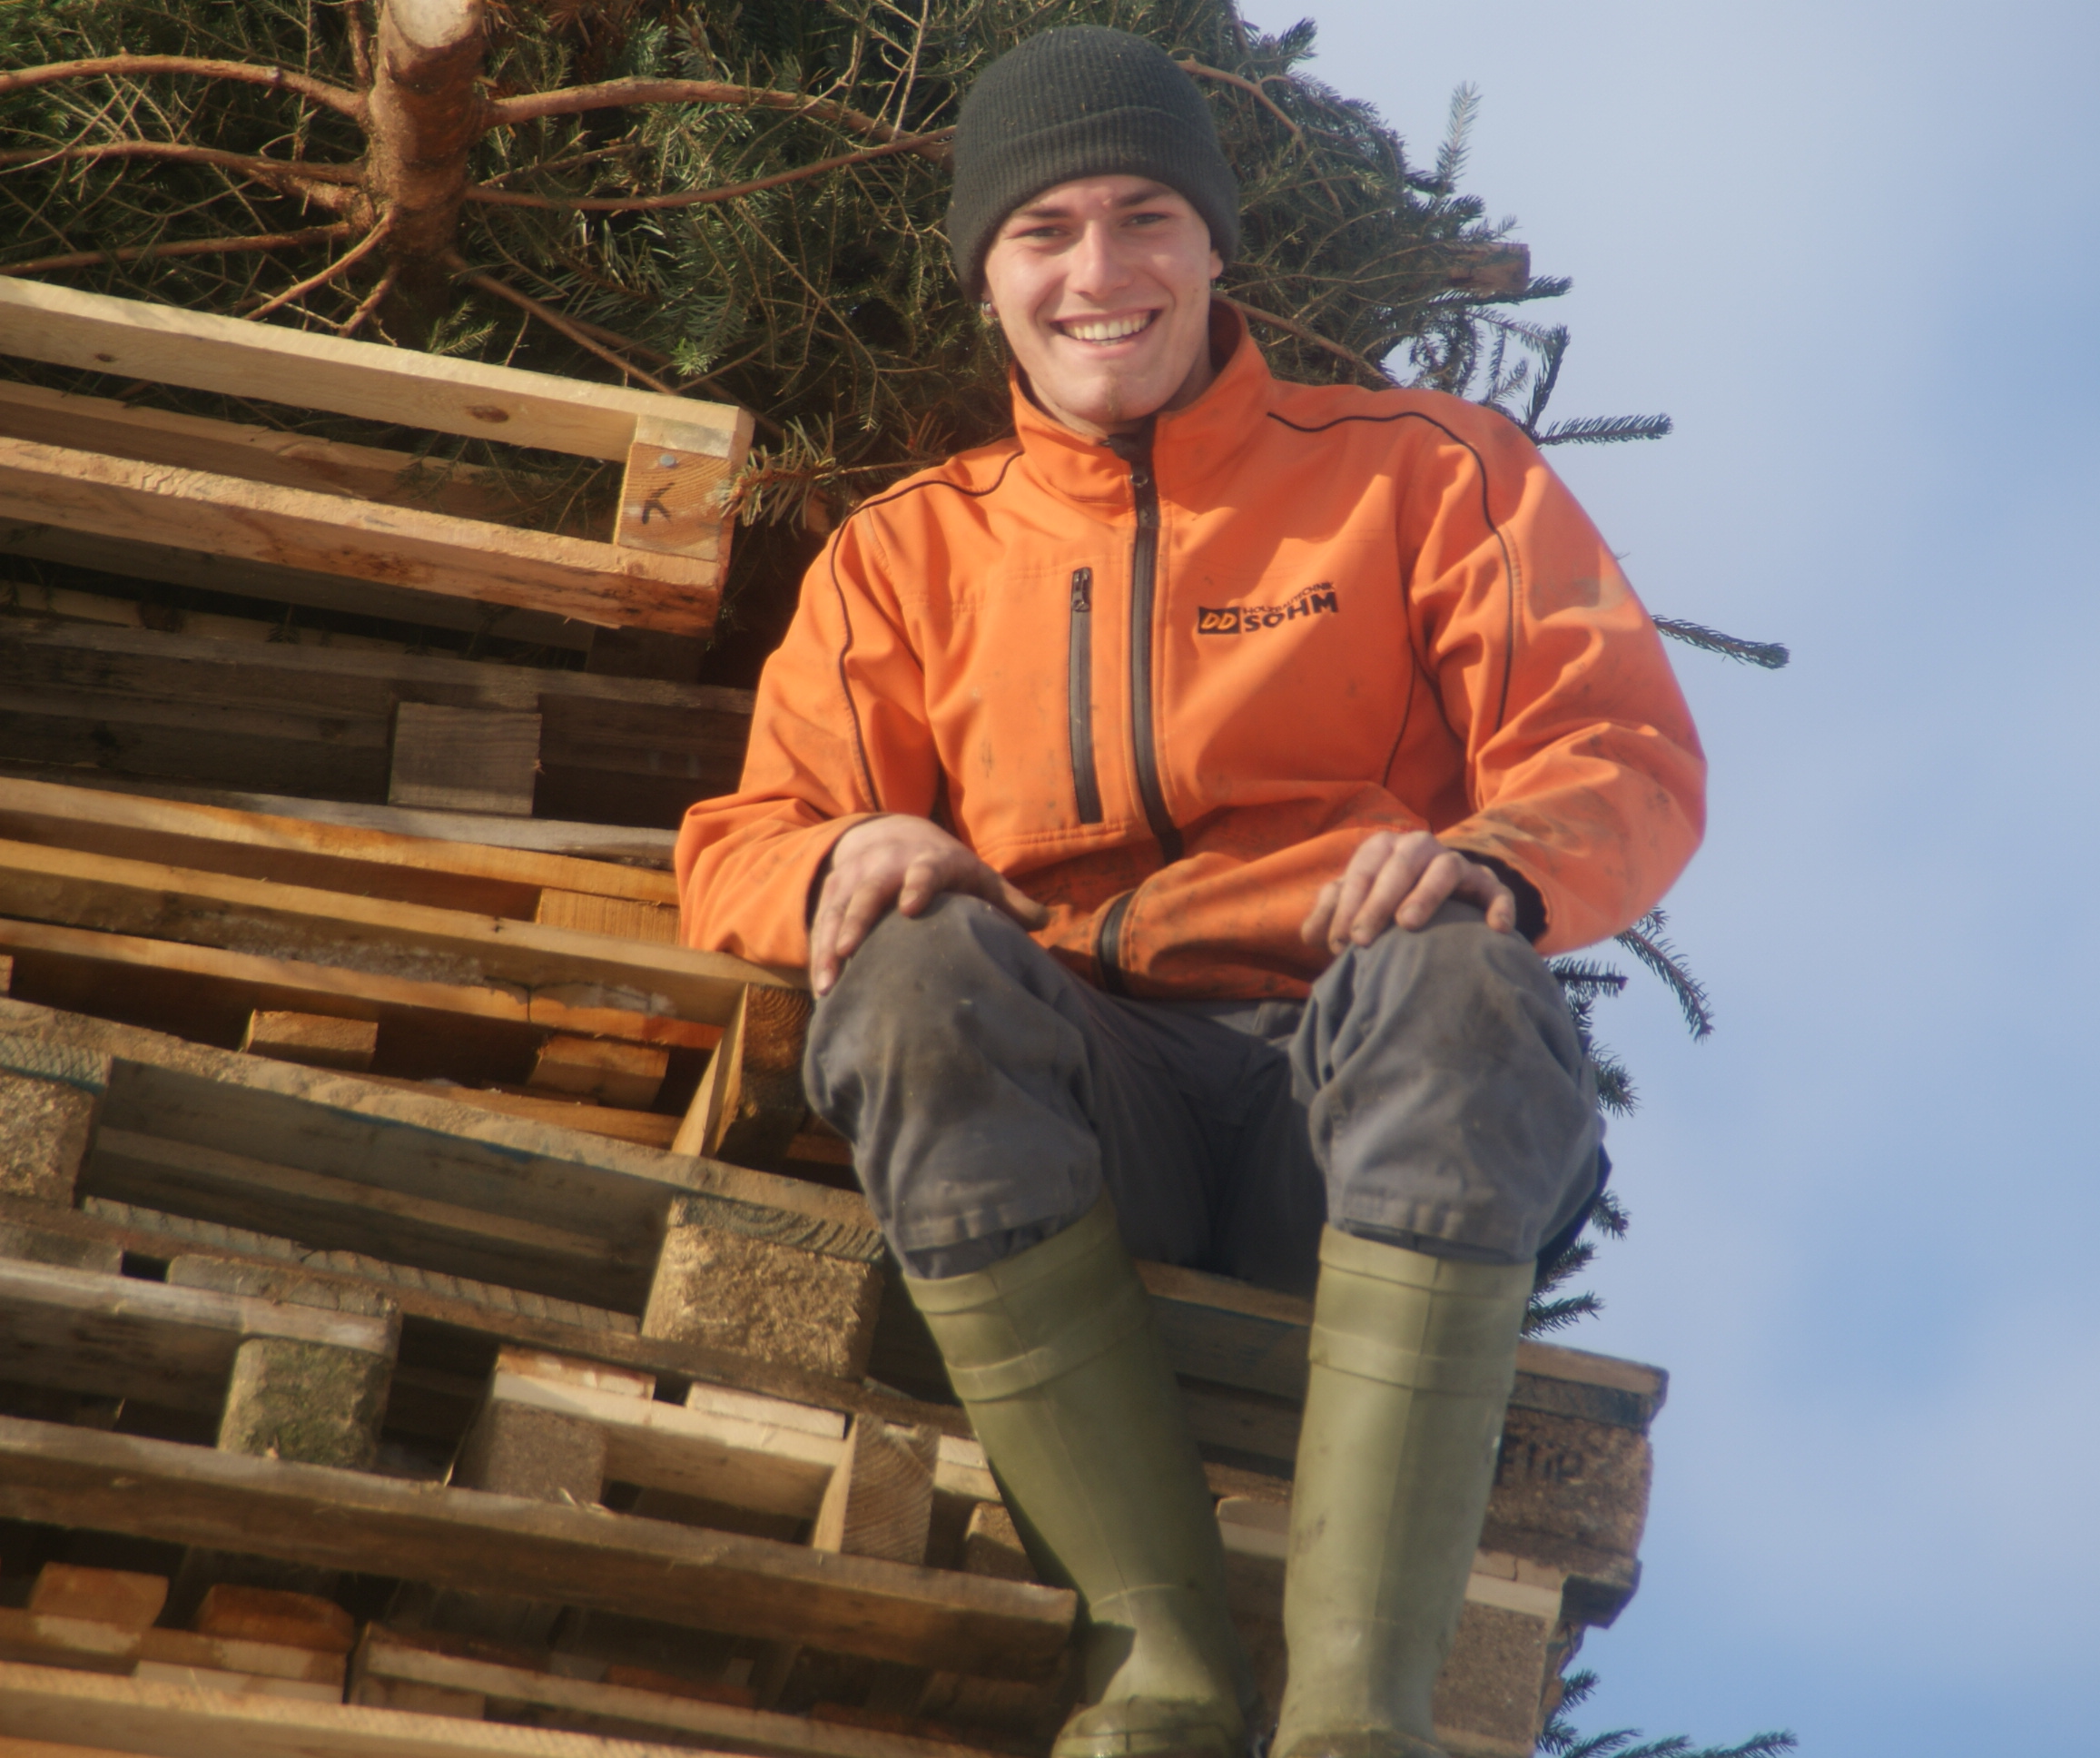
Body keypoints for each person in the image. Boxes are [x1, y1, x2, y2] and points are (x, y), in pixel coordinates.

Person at [676, 25, 1706, 1758]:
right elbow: (742, 838)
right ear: (988, 277)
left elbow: (1618, 751)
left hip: (1350, 1092)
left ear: (1214, 243)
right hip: (1089, 1119)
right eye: (1044, 231)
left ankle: (1357, 1719)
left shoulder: (1424, 471)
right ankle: (1153, 1669)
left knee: (1463, 975)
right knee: (910, 983)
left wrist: (1487, 861)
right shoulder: (905, 555)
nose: (1099, 272)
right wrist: (846, 853)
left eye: (1143, 216)